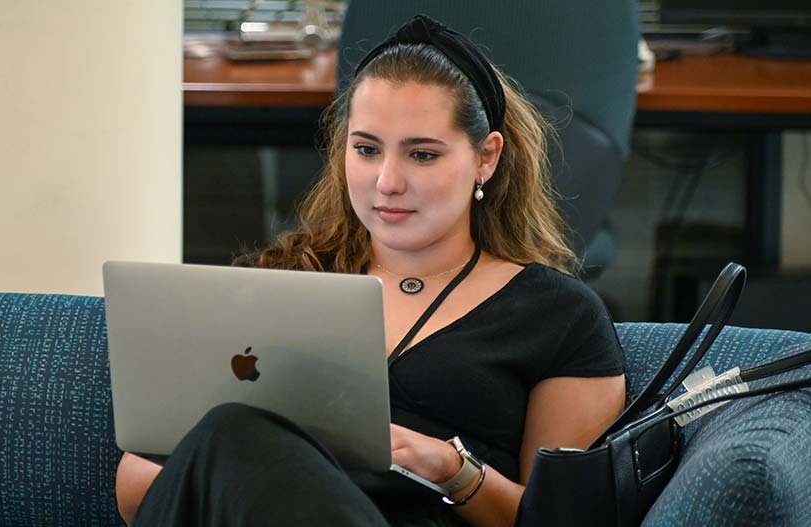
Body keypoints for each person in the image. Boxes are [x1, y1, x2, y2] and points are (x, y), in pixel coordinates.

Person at [115, 14, 626, 527]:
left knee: (235, 432)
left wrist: (452, 468)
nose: (386, 182)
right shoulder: (278, 283)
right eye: (365, 150)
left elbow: (565, 522)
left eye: (421, 155)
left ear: (486, 158)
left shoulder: (559, 315)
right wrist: (245, 469)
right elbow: (136, 484)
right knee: (235, 433)